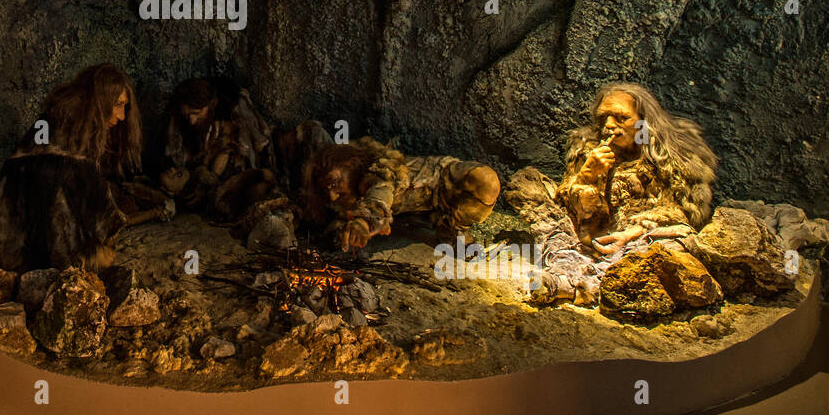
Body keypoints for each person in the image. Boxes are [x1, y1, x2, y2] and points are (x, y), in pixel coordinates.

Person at [504, 82, 717, 305]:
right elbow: (568, 210)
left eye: (621, 118)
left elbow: (684, 214)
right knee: (529, 188)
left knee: (678, 240)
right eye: (604, 117)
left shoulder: (674, 154)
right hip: (589, 239)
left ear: (644, 122)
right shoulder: (588, 146)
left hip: (638, 242)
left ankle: (584, 283)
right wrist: (587, 175)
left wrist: (631, 234)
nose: (609, 126)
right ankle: (569, 269)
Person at [0, 63, 167, 274]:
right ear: (99, 100)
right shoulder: (58, 133)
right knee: (62, 175)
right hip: (23, 238)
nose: (121, 116)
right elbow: (60, 186)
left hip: (22, 234)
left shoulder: (74, 127)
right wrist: (92, 247)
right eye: (117, 104)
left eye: (124, 106)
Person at [301, 137, 501, 252]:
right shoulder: (353, 195)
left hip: (447, 179)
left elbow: (381, 190)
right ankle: (447, 227)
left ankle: (453, 228)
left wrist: (365, 219)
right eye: (328, 190)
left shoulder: (376, 172)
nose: (334, 195)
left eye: (334, 182)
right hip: (428, 208)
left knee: (485, 181)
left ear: (350, 163)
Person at [158, 76, 274, 217]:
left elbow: (255, 150)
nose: (192, 121)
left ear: (212, 104)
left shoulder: (236, 114)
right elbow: (177, 157)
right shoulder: (180, 119)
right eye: (187, 115)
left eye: (196, 113)